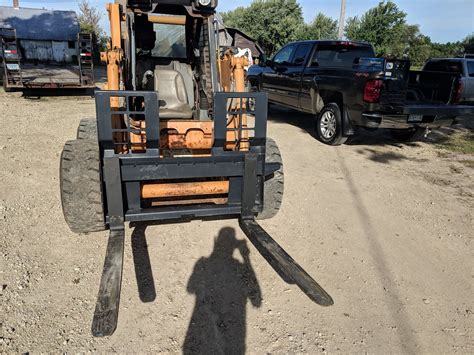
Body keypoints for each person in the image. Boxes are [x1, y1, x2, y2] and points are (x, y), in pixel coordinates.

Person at [183, 227, 262, 354]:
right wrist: (246, 257)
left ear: (216, 242)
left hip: (201, 330)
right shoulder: (238, 266)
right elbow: (257, 302)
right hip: (235, 334)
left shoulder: (202, 263)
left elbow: (190, 288)